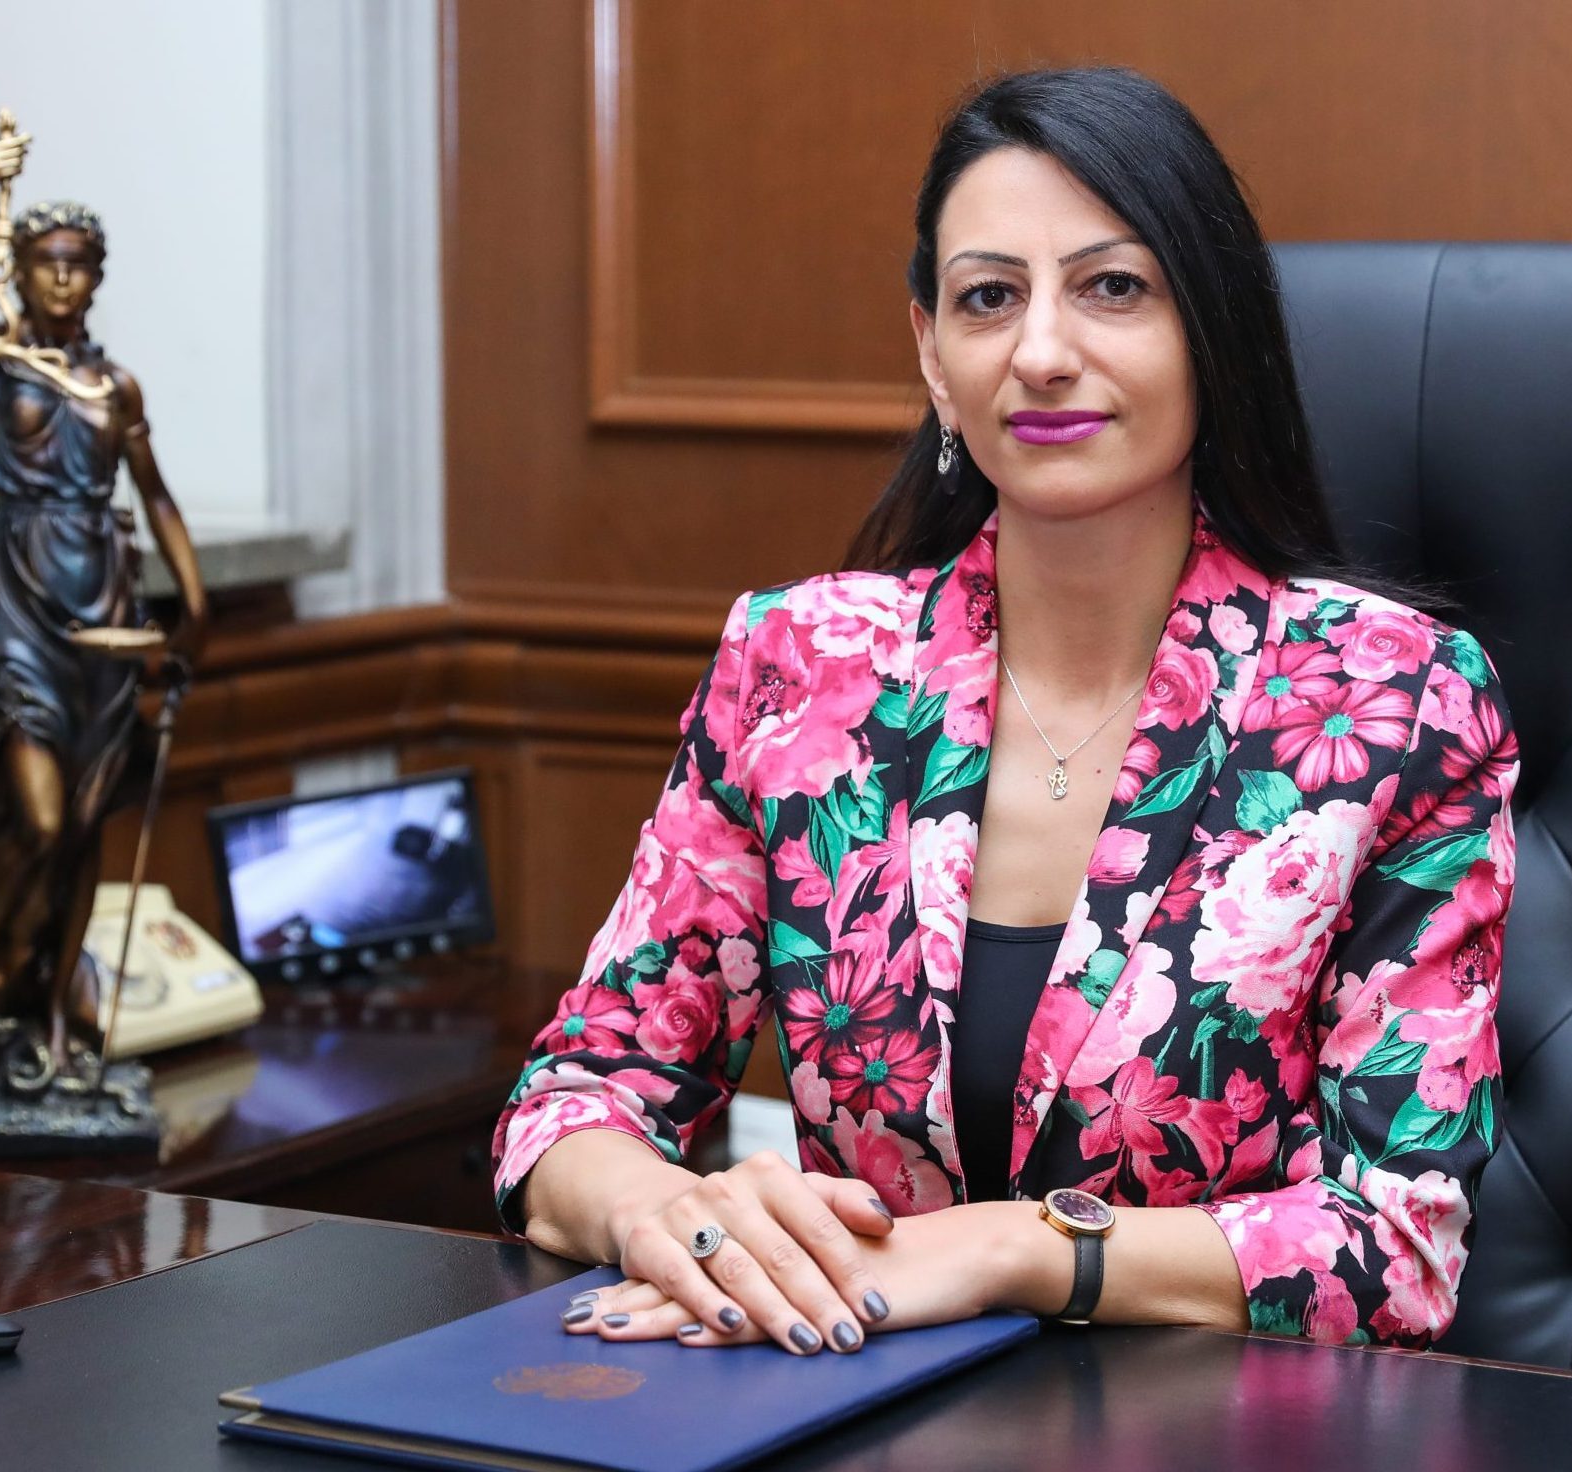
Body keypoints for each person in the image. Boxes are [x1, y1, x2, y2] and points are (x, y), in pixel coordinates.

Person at [489, 66, 1518, 1357]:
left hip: (1217, 1427)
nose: (1040, 353)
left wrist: (1006, 1251)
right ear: (934, 353)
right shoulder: (800, 666)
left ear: (1213, 329)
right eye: (989, 297)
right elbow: (576, 1092)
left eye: (1112, 287)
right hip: (848, 1398)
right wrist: (669, 1214)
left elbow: (1397, 1243)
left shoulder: (1395, 697)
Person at [0, 128, 208, 1075]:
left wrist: (194, 604)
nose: (62, 280)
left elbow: (156, 498)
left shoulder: (113, 385)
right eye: (46, 263)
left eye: (78, 265)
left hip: (106, 605)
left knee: (83, 825)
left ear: (96, 278)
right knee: (38, 815)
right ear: (27, 268)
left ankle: (48, 1012)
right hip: (21, 591)